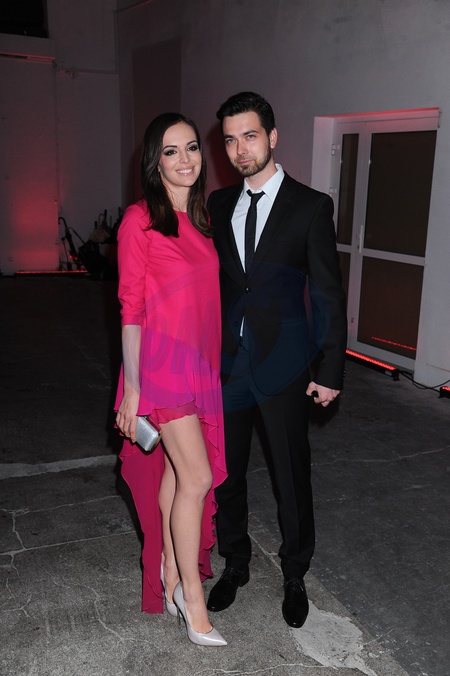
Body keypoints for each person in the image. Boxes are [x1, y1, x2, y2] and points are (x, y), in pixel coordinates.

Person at [206, 92, 347, 628]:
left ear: (272, 137)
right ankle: (235, 562)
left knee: (291, 473)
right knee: (226, 471)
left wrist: (329, 370)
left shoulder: (310, 206)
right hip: (228, 364)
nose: (240, 149)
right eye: (230, 140)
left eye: (250, 136)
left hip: (284, 365)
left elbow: (328, 293)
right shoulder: (219, 204)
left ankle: (294, 572)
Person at [114, 113, 227, 646]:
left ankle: (169, 573)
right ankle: (191, 598)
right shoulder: (139, 220)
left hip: (200, 367)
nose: (186, 160)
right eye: (171, 151)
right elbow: (130, 308)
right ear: (153, 162)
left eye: (191, 148)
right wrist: (134, 388)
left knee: (178, 477)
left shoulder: (201, 219)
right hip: (161, 369)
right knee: (197, 479)